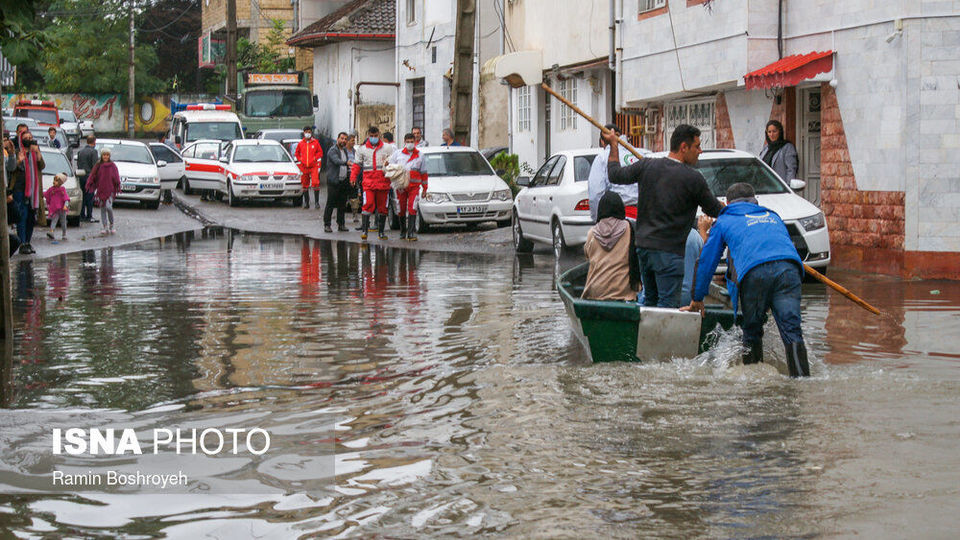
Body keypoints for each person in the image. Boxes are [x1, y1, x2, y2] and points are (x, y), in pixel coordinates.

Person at [682, 182, 809, 377]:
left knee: (751, 331)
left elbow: (707, 260)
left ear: (727, 203)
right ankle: (802, 381)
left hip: (755, 272)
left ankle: (754, 383)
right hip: (789, 269)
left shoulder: (724, 221)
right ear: (755, 200)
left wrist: (697, 298)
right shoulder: (772, 216)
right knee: (792, 331)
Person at [606, 124, 724, 308]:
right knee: (667, 308)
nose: (700, 151)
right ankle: (660, 337)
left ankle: (645, 336)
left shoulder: (648, 165)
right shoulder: (693, 178)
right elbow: (716, 210)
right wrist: (731, 208)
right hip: (668, 253)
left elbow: (614, 174)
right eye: (697, 146)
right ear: (684, 147)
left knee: (650, 302)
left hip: (644, 249)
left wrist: (613, 145)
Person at [581, 192, 640, 301]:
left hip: (595, 293)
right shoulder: (629, 229)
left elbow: (587, 256)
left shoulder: (592, 233)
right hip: (623, 294)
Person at [587, 123, 645, 222]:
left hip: (618, 221)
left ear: (602, 141)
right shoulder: (642, 154)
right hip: (645, 220)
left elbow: (596, 194)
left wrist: (598, 219)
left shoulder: (602, 158)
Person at [350, 126, 391, 240]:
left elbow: (393, 163)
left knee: (383, 208)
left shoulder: (387, 148)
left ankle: (381, 232)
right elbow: (357, 165)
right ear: (368, 136)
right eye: (371, 136)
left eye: (375, 136)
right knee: (368, 205)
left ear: (379, 135)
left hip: (383, 183)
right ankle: (364, 231)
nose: (373, 138)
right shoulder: (362, 149)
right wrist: (353, 177)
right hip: (369, 183)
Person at [388, 133, 428, 241]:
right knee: (401, 209)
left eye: (412, 142)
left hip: (414, 187)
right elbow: (390, 167)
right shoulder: (398, 154)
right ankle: (402, 231)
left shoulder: (420, 155)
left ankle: (411, 233)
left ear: (415, 142)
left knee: (412, 208)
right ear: (404, 142)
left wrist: (425, 188)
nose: (410, 144)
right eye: (408, 142)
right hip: (401, 186)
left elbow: (424, 173)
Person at [10, 130, 45, 255]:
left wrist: (38, 153)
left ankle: (28, 242)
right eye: (26, 138)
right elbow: (11, 168)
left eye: (30, 137)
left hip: (34, 191)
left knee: (31, 217)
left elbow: (42, 166)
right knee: (22, 216)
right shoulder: (17, 151)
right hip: (20, 189)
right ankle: (22, 243)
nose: (28, 139)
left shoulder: (35, 152)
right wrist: (19, 160)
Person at [679, 216, 715, 305]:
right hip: (686, 299)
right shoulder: (693, 236)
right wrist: (703, 231)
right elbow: (706, 258)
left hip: (658, 297)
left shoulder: (656, 232)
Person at [85, 148, 121, 235]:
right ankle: (105, 226)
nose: (105, 156)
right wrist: (90, 183)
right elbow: (93, 175)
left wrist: (117, 183)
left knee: (109, 207)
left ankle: (111, 224)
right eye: (104, 155)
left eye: (107, 155)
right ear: (101, 156)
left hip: (110, 190)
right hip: (101, 190)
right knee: (103, 209)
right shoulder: (98, 165)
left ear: (109, 156)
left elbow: (116, 176)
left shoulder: (113, 166)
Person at [323, 132, 352, 233]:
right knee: (330, 203)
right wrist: (346, 163)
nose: (343, 141)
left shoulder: (344, 150)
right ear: (337, 139)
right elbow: (336, 161)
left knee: (342, 204)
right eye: (342, 138)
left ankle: (341, 224)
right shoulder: (333, 150)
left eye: (345, 139)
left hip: (343, 180)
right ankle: (327, 224)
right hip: (333, 181)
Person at [295, 125, 323, 209]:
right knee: (305, 184)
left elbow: (320, 153)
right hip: (304, 167)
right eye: (306, 132)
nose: (308, 134)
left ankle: (317, 203)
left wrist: (315, 158)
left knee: (315, 183)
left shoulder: (315, 142)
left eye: (309, 132)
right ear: (304, 133)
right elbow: (297, 153)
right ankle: (306, 203)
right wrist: (301, 159)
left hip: (313, 166)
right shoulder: (300, 143)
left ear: (311, 133)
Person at [75, 135, 99, 223]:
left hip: (81, 176)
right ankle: (89, 215)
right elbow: (95, 166)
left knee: (83, 197)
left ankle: (82, 215)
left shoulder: (80, 151)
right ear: (94, 142)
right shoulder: (94, 152)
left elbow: (78, 164)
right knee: (90, 197)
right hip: (90, 177)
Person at [43, 173, 70, 243]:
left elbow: (66, 198)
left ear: (61, 182)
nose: (54, 182)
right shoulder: (51, 189)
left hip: (62, 209)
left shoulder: (62, 190)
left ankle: (64, 233)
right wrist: (41, 194)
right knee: (54, 220)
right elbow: (46, 194)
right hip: (55, 209)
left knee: (63, 222)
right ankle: (51, 231)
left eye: (56, 180)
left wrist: (65, 205)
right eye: (54, 180)